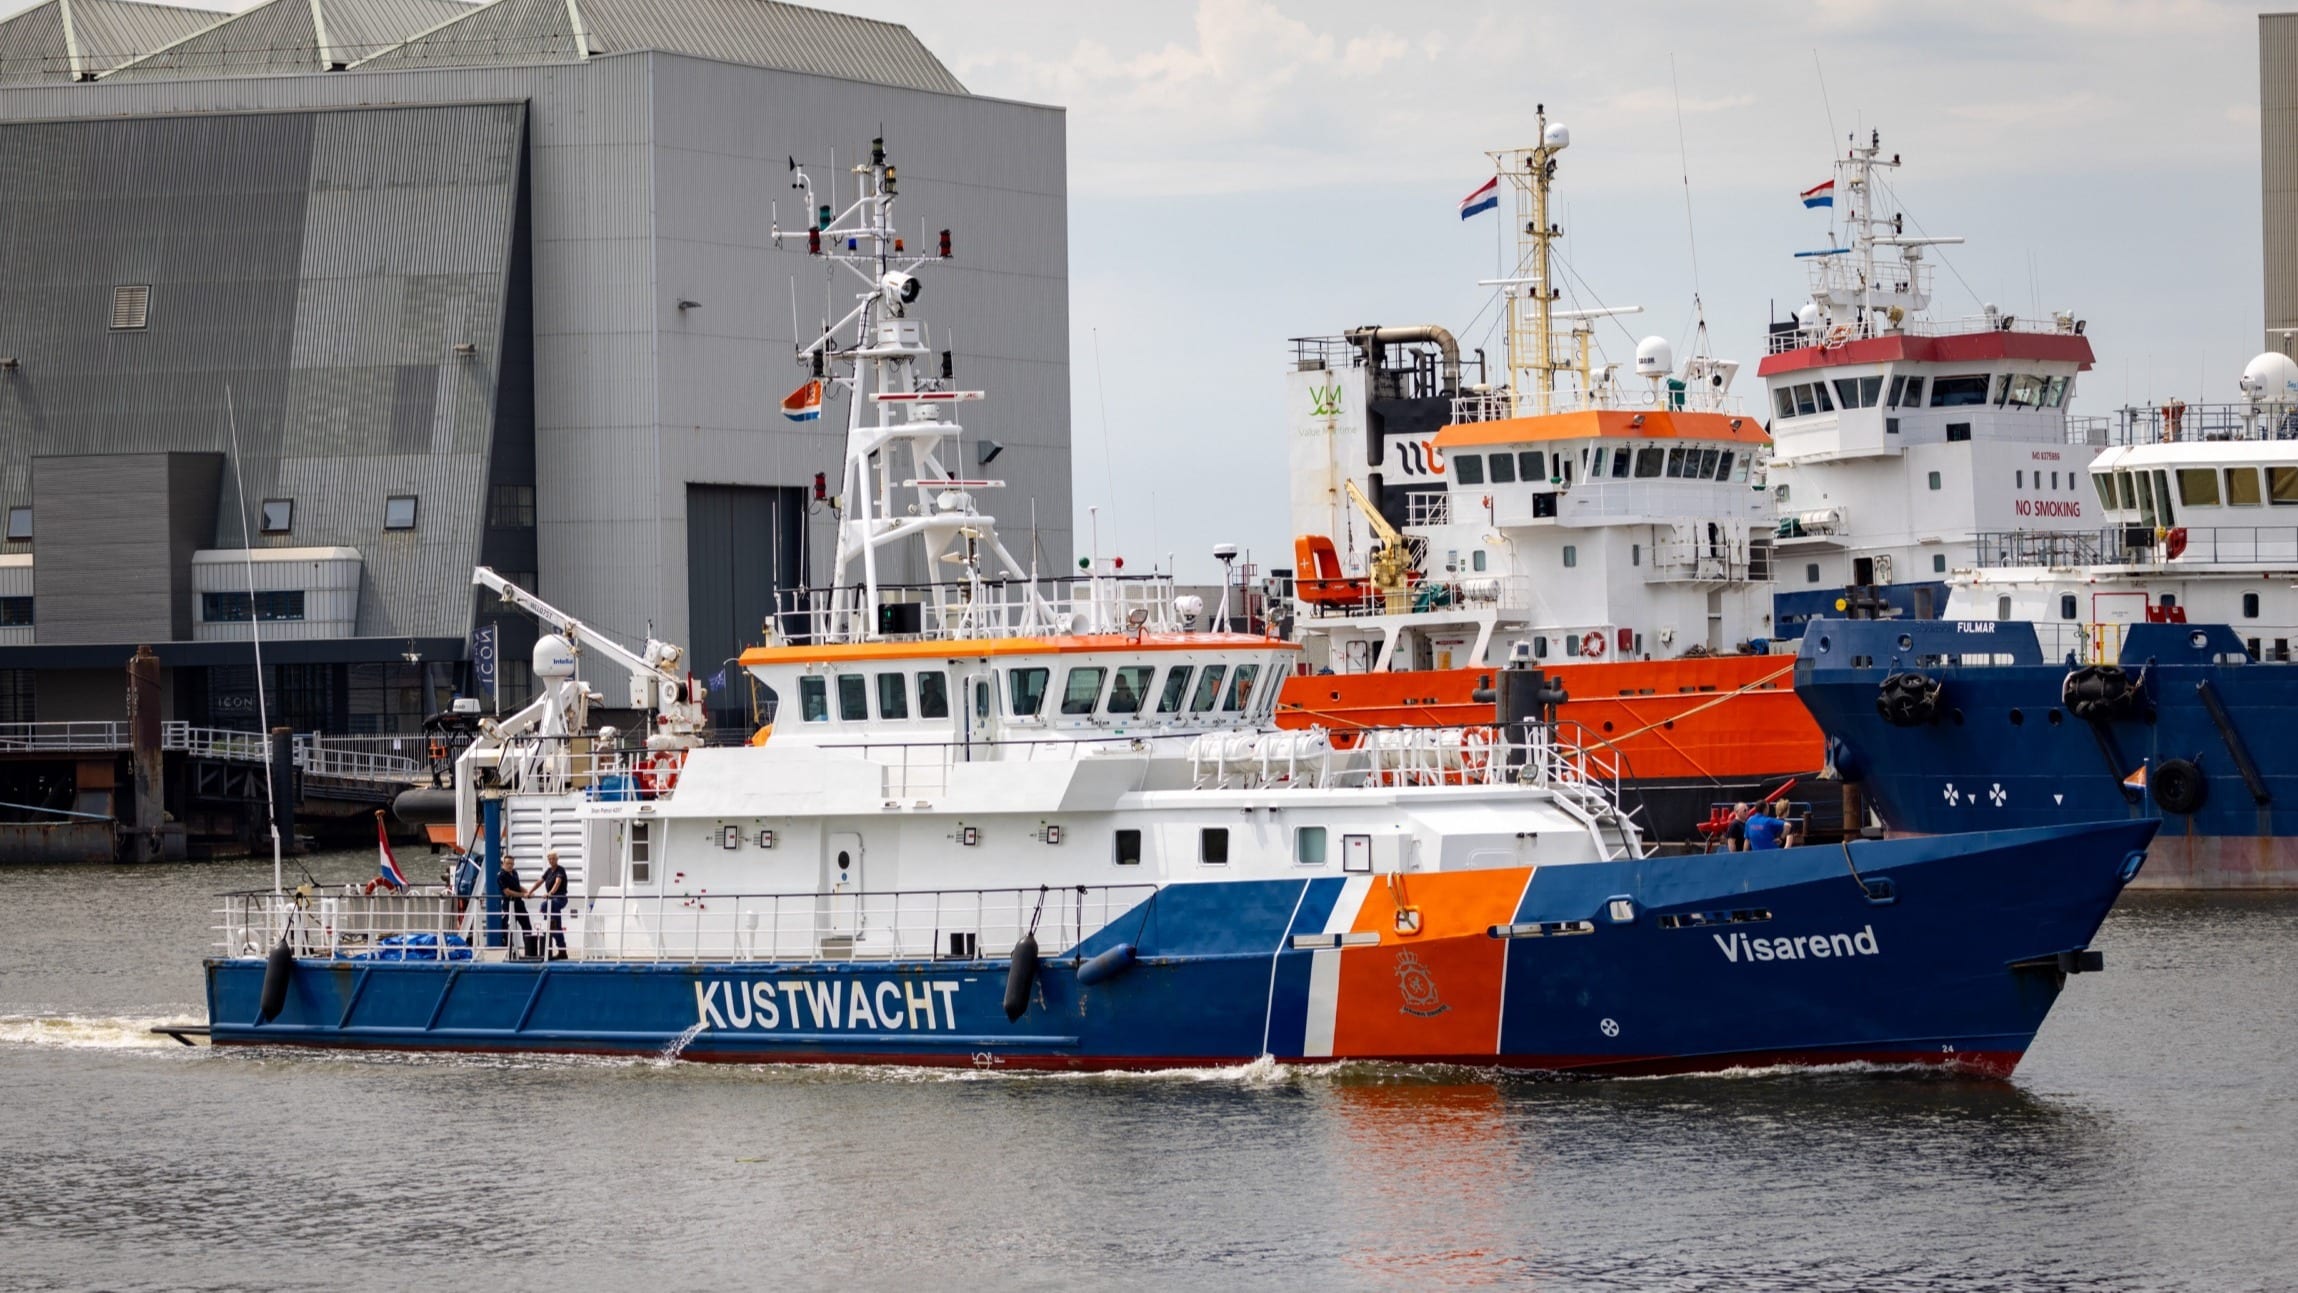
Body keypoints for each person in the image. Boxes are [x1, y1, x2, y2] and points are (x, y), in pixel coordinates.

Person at [497, 855, 535, 958]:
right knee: (510, 928)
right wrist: (523, 895)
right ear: (503, 864)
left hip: (519, 904)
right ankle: (512, 952)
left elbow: (517, 886)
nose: (510, 866)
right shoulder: (501, 875)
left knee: (527, 926)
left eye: (512, 864)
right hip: (509, 904)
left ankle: (529, 952)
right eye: (508, 863)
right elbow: (507, 892)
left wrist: (528, 892)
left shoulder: (514, 873)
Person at [536, 850, 570, 960]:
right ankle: (561, 952)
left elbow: (557, 882)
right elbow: (539, 882)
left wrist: (550, 893)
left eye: (553, 858)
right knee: (553, 927)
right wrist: (529, 892)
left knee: (553, 924)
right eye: (549, 859)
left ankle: (561, 950)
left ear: (557, 859)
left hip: (559, 898)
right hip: (551, 901)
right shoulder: (548, 871)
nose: (551, 860)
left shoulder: (560, 870)